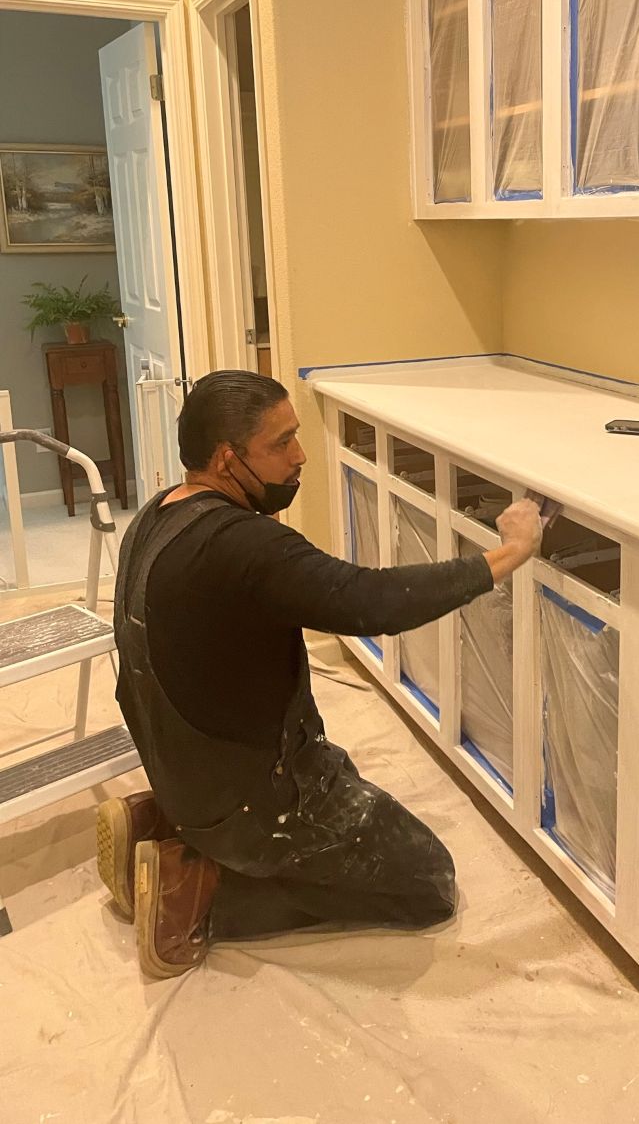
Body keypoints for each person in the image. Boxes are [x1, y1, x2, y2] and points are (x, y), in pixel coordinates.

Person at [96, 370, 542, 979]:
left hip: (186, 764)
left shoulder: (157, 515)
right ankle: (199, 888)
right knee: (425, 880)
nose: (299, 456)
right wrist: (508, 554)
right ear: (228, 459)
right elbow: (371, 601)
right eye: (281, 443)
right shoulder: (246, 547)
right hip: (244, 799)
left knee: (347, 780)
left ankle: (168, 820)